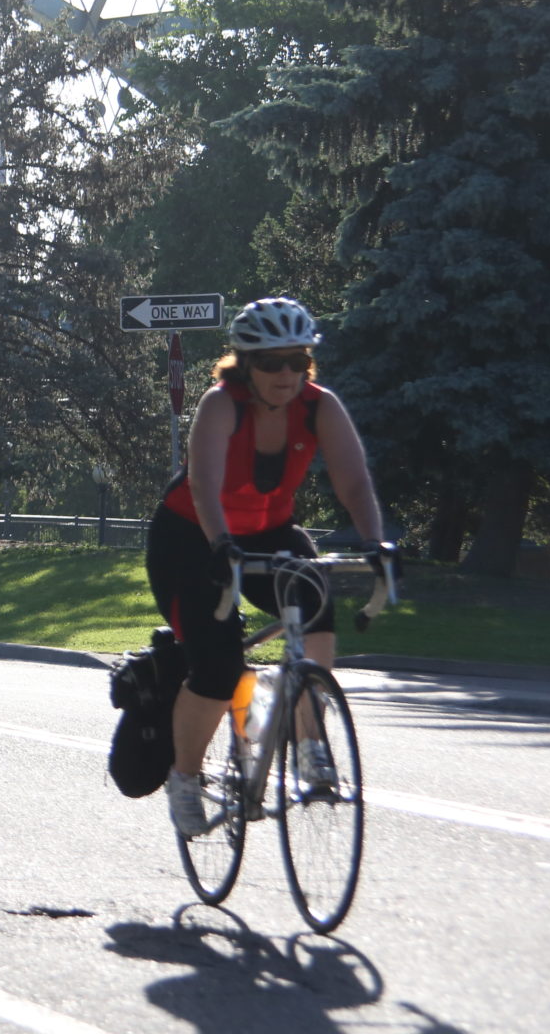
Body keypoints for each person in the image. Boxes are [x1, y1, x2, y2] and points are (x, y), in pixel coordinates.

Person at [150, 297, 393, 838]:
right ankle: (184, 779)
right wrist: (221, 546)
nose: (285, 373)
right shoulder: (221, 405)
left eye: (297, 361)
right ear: (244, 364)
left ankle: (310, 742)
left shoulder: (319, 406)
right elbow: (204, 486)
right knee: (215, 671)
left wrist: (376, 542)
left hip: (270, 531)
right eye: (271, 362)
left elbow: (353, 483)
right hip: (192, 536)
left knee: (317, 608)